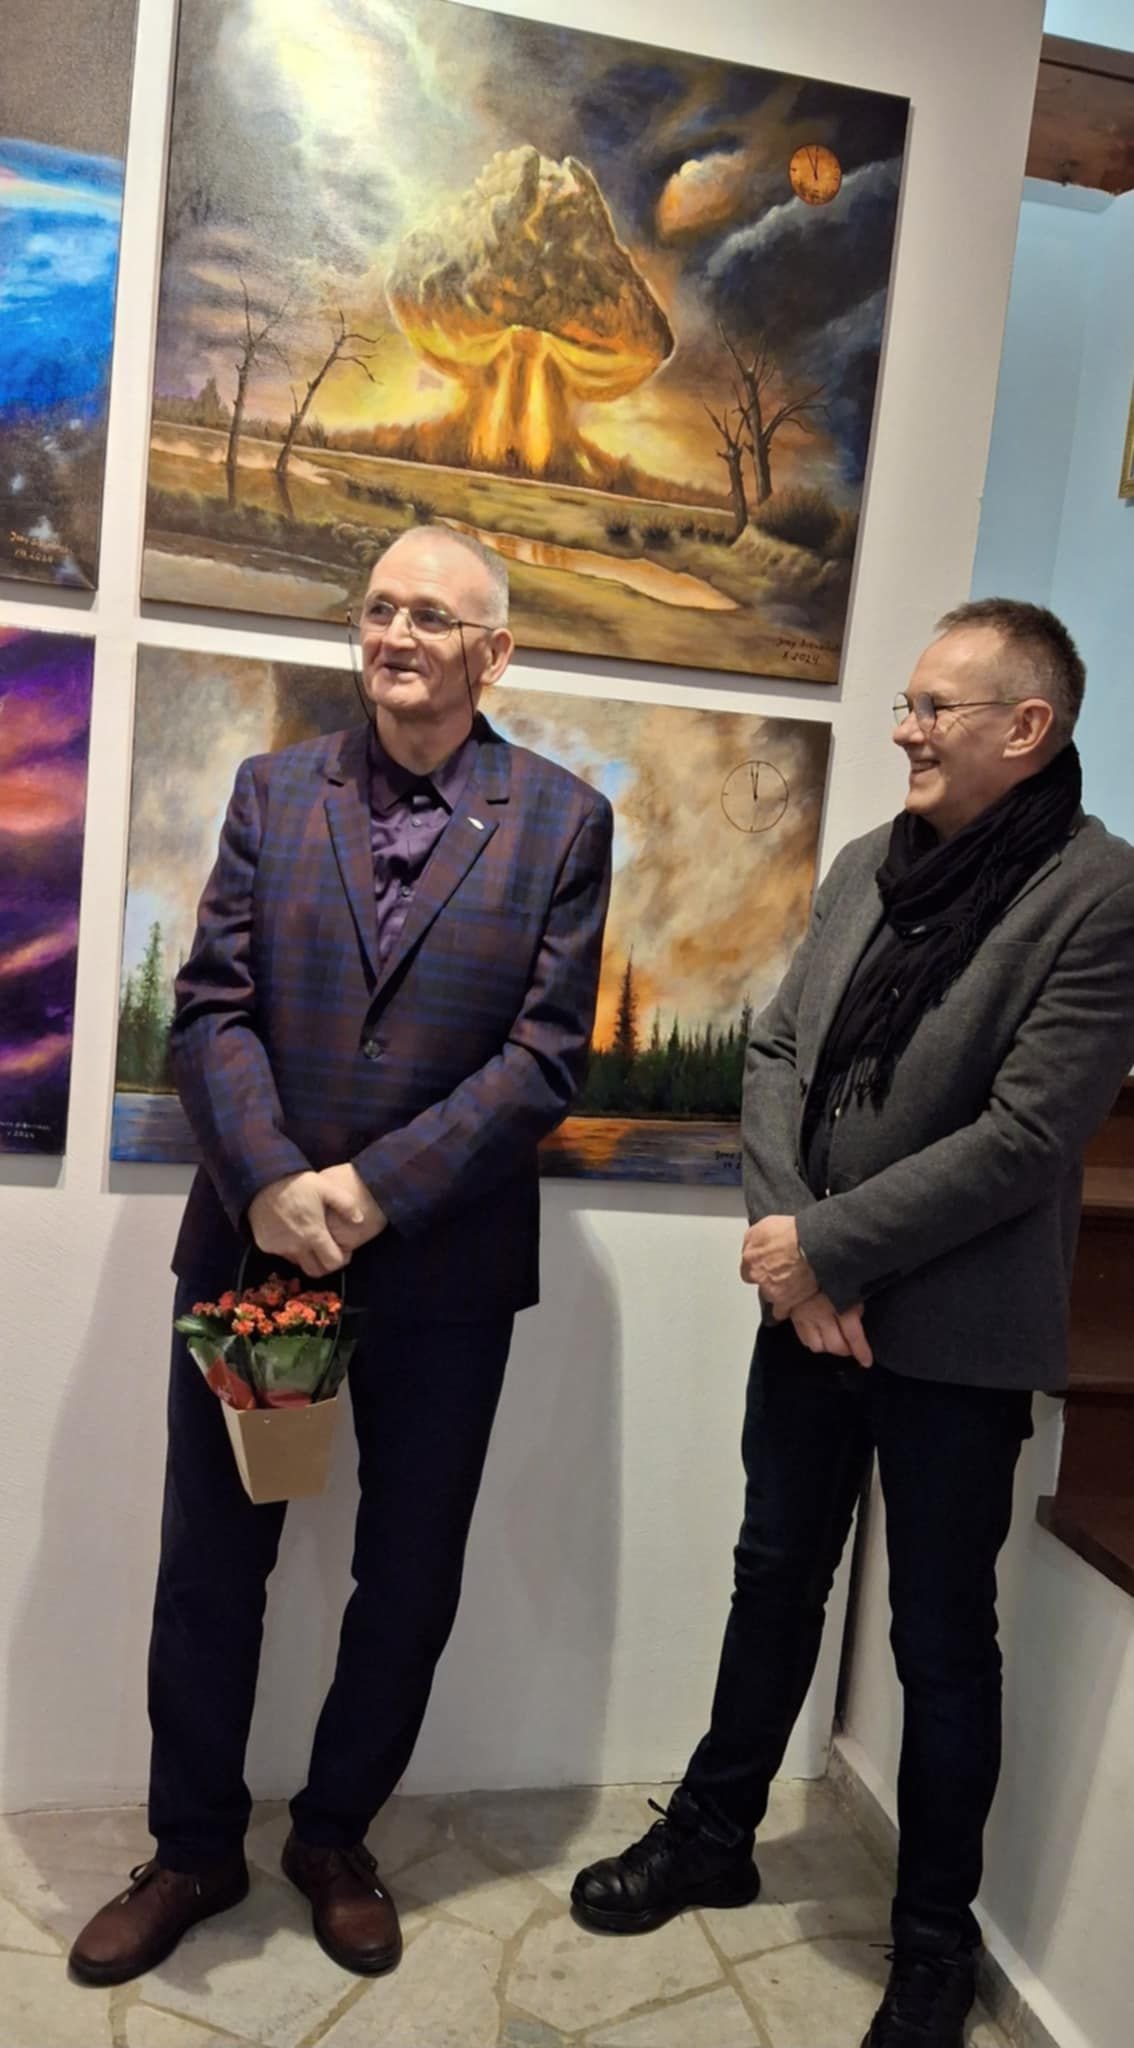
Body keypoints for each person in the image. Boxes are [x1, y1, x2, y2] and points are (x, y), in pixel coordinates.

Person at [571, 599, 1134, 2048]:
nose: (904, 730)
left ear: (1027, 726)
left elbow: (1027, 1135)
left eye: (934, 707)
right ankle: (715, 1833)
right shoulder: (866, 865)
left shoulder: (1100, 894)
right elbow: (775, 1050)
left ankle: (934, 1943)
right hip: (811, 1318)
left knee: (941, 1642)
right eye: (905, 703)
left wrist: (826, 1249)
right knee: (772, 1580)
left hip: (957, 1342)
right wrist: (796, 1262)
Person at [70, 526, 613, 1986]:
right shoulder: (273, 790)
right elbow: (211, 1007)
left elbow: (543, 1059)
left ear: (494, 652)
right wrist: (267, 1182)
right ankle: (193, 1848)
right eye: (379, 608)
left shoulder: (563, 821)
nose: (396, 636)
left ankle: (333, 1838)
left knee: (409, 1571)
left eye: (431, 615)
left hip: (442, 1269)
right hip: (254, 1252)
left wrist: (372, 1190)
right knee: (211, 1561)